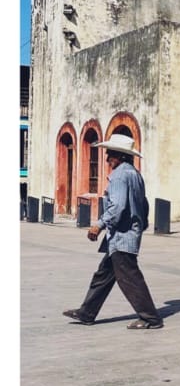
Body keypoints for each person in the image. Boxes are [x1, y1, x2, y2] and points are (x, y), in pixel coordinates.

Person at [62, 133, 162, 329]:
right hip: (126, 235)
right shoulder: (135, 174)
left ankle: (151, 318)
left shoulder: (119, 176)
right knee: (104, 274)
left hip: (122, 236)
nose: (107, 159)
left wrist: (99, 225)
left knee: (130, 277)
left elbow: (116, 207)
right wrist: (141, 224)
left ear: (120, 156)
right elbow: (144, 204)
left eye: (110, 155)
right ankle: (86, 313)